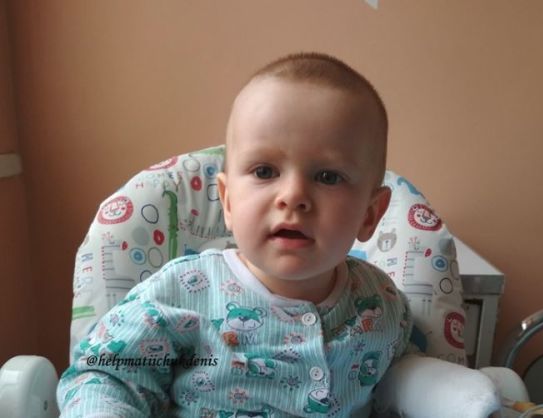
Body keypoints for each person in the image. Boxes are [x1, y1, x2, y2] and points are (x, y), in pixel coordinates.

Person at [57, 52, 414, 417]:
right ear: (227, 201)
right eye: (264, 171)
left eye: (327, 176)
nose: (293, 195)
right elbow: (103, 377)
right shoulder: (181, 294)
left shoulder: (382, 302)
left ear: (370, 214)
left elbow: (404, 379)